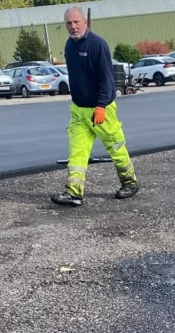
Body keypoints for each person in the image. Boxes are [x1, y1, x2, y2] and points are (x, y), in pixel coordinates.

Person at [51, 6, 139, 207]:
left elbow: (107, 79)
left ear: (85, 22)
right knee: (77, 152)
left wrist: (100, 106)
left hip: (101, 110)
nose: (73, 26)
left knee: (116, 147)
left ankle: (130, 183)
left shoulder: (97, 44)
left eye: (76, 22)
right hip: (79, 111)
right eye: (68, 23)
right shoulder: (69, 46)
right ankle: (74, 192)